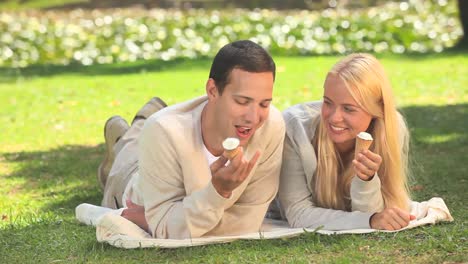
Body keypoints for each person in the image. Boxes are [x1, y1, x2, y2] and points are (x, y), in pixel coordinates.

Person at [98, 40, 285, 239]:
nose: (254, 117)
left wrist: (171, 221)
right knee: (128, 153)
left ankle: (140, 122)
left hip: (163, 149)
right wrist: (217, 193)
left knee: (147, 133)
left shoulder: (270, 125)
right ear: (212, 90)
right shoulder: (164, 130)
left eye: (264, 104)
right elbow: (165, 227)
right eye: (242, 101)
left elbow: (249, 221)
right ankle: (124, 136)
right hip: (134, 183)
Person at [276, 53, 415, 231]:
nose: (334, 118)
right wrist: (370, 220)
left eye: (349, 109)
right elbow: (298, 213)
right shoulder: (295, 127)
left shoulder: (391, 129)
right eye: (327, 102)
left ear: (376, 110)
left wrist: (366, 181)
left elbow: (375, 215)